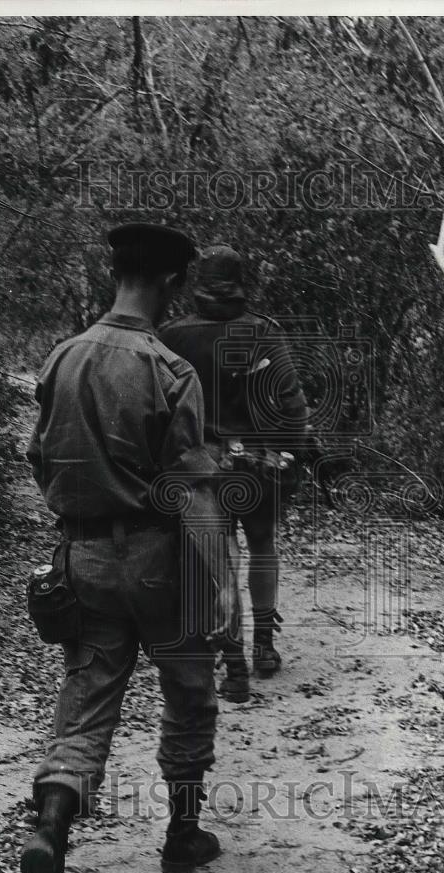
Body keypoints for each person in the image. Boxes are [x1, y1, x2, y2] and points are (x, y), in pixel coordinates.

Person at [22, 223, 239, 873]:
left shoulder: (61, 358)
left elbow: (39, 462)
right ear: (174, 284)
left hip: (81, 558)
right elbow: (192, 490)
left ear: (113, 274)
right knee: (187, 691)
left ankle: (49, 829)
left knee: (86, 701)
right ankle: (182, 836)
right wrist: (222, 589)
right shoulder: (166, 370)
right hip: (158, 561)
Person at [160, 245, 309, 703]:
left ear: (197, 282)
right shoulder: (263, 332)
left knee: (219, 564)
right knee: (262, 544)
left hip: (198, 468)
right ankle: (263, 644)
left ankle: (235, 663)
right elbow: (292, 406)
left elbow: (155, 409)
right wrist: (292, 456)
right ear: (242, 281)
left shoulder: (169, 336)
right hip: (258, 465)